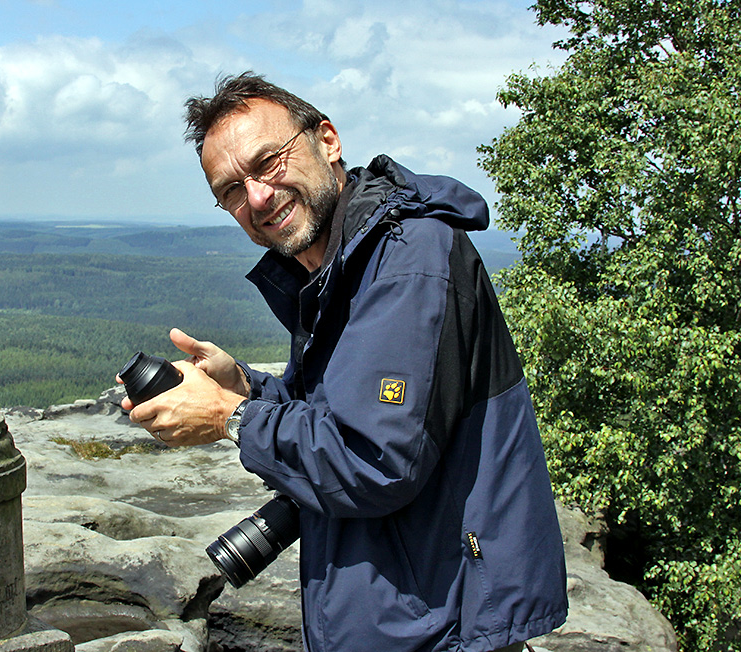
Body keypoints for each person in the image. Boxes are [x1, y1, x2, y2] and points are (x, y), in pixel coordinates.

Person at [122, 72, 568, 652]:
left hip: (442, 626)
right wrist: (247, 388)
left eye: (269, 162)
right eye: (232, 189)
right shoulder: (339, 267)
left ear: (327, 140)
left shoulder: (408, 258)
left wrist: (231, 417)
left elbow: (375, 458)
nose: (257, 197)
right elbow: (346, 414)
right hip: (394, 619)